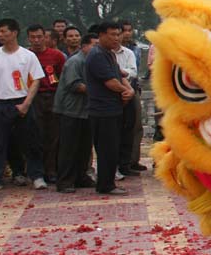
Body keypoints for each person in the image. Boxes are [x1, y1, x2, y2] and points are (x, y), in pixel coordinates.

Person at [0, 18, 46, 191]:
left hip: (22, 101)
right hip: (0, 103)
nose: (0, 35)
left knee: (31, 141)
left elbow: (36, 81)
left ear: (14, 32)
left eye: (4, 31)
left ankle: (37, 175)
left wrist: (26, 104)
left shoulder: (27, 56)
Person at [84, 22, 134, 195]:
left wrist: (129, 89)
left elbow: (120, 75)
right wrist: (125, 91)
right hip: (102, 110)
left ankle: (109, 181)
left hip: (113, 109)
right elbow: (111, 82)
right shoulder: (97, 55)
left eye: (118, 34)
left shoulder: (109, 54)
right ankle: (105, 184)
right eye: (112, 34)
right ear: (101, 35)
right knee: (106, 149)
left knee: (113, 148)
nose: (116, 38)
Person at [53, 33, 97, 192]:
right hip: (70, 110)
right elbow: (75, 85)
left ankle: (80, 177)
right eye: (94, 45)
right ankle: (64, 181)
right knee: (68, 147)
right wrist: (99, 90)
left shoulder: (91, 61)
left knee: (84, 147)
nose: (96, 48)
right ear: (84, 46)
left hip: (86, 111)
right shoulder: (75, 61)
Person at [28, 25, 67, 180]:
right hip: (33, 97)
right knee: (36, 134)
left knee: (53, 135)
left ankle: (51, 170)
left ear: (46, 37)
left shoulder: (57, 55)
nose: (36, 40)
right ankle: (36, 170)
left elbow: (63, 78)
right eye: (33, 37)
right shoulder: (26, 55)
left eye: (39, 37)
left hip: (52, 95)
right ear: (28, 38)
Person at [114, 23, 140, 177]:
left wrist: (121, 73)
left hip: (128, 93)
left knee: (129, 129)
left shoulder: (129, 53)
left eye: (119, 34)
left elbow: (133, 72)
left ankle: (126, 164)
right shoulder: (103, 53)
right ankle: (114, 165)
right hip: (112, 95)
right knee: (113, 131)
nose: (118, 37)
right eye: (117, 33)